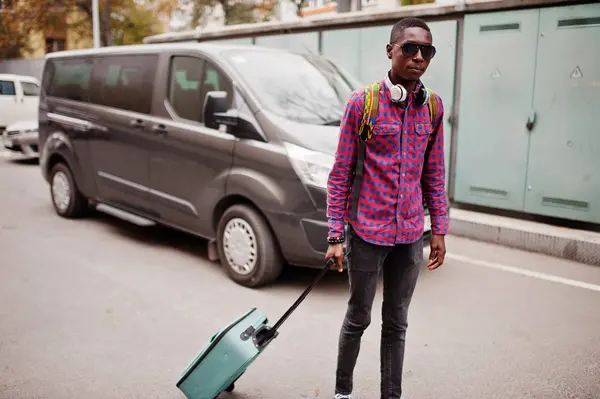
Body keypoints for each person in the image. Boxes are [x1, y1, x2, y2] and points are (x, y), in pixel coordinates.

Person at [325, 17, 450, 399]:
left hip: (411, 234)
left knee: (396, 323)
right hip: (366, 232)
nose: (418, 57)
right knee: (358, 317)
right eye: (409, 48)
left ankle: (390, 395)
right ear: (390, 51)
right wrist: (334, 235)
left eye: (426, 50)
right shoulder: (361, 103)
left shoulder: (432, 107)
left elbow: (435, 172)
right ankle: (343, 392)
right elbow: (340, 173)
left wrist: (439, 228)